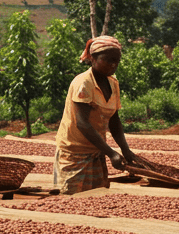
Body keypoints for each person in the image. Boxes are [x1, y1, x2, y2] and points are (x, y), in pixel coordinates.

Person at [52, 36, 137, 194]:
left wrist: (125, 149)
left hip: (96, 150)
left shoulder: (113, 83)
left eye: (117, 61)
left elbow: (114, 120)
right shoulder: (84, 83)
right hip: (74, 153)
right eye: (108, 60)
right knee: (70, 198)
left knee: (95, 198)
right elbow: (82, 123)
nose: (113, 65)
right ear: (92, 58)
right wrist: (111, 153)